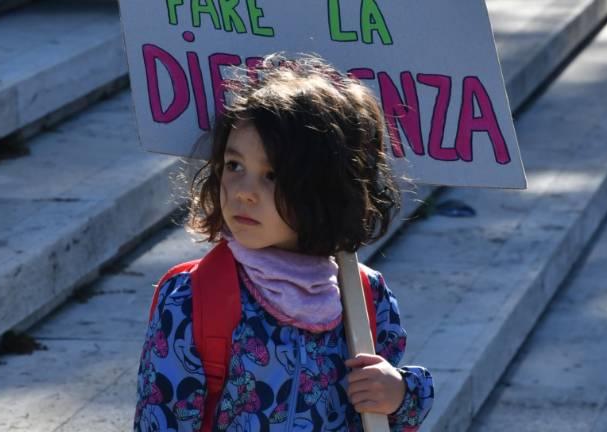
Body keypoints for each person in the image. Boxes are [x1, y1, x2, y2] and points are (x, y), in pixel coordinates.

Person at [134, 54, 434, 431]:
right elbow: (160, 421)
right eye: (234, 166)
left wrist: (400, 393)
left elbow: (386, 416)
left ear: (325, 190)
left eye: (272, 175)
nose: (244, 192)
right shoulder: (191, 299)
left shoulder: (365, 298)